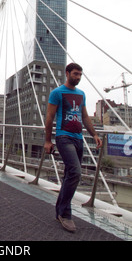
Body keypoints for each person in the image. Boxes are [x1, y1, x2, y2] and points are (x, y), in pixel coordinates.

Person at [44, 63, 102, 233]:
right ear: (67, 73)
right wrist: (48, 140)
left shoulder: (81, 94)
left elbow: (84, 116)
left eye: (80, 75)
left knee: (70, 174)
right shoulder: (57, 93)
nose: (78, 77)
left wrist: (95, 135)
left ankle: (59, 211)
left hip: (78, 138)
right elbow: (49, 117)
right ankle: (66, 214)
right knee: (76, 172)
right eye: (75, 74)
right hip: (64, 137)